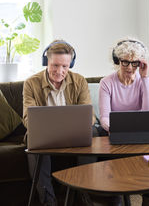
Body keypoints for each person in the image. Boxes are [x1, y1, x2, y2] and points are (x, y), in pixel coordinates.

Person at [23, 40, 96, 206]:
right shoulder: (31, 83)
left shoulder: (80, 81)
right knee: (31, 137)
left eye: (65, 66)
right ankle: (48, 201)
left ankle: (84, 196)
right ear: (46, 62)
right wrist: (43, 129)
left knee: (93, 132)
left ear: (71, 64)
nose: (59, 71)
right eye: (55, 65)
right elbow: (28, 118)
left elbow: (89, 117)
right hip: (43, 134)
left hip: (73, 133)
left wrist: (80, 126)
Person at [99, 37, 149, 206]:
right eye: (125, 62)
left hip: (139, 129)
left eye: (135, 63)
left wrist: (146, 78)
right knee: (104, 139)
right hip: (113, 129)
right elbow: (104, 116)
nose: (130, 68)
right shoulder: (106, 82)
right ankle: (115, 196)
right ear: (118, 61)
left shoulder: (143, 81)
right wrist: (114, 128)